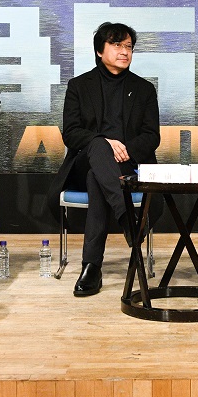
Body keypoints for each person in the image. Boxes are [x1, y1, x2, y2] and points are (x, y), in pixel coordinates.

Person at [46, 22, 160, 297]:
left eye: (128, 46)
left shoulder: (144, 89)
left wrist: (124, 150)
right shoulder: (78, 86)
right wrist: (106, 144)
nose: (124, 51)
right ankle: (127, 220)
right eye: (116, 45)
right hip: (85, 160)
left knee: (96, 177)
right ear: (99, 50)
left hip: (128, 164)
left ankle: (92, 267)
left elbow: (151, 136)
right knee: (98, 146)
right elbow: (71, 134)